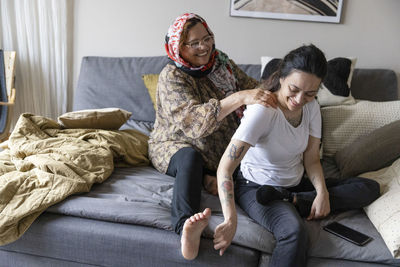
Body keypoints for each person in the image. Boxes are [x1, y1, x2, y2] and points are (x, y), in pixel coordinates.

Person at [214, 44, 380, 267]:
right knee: (294, 232)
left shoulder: (311, 108)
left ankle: (299, 202)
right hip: (258, 187)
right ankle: (295, 203)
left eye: (310, 93)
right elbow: (225, 167)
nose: (300, 99)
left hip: (295, 185)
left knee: (369, 188)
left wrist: (322, 194)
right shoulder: (263, 111)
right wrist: (230, 219)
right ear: (282, 78)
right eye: (294, 89)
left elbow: (311, 157)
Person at [148, 13, 277, 260]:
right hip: (176, 144)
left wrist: (281, 89)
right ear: (177, 47)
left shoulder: (222, 64)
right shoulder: (172, 76)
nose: (204, 46)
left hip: (218, 150)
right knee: (190, 159)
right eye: (194, 43)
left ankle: (210, 177)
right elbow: (195, 124)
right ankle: (186, 227)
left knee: (254, 163)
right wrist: (239, 97)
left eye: (207, 38)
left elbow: (252, 87)